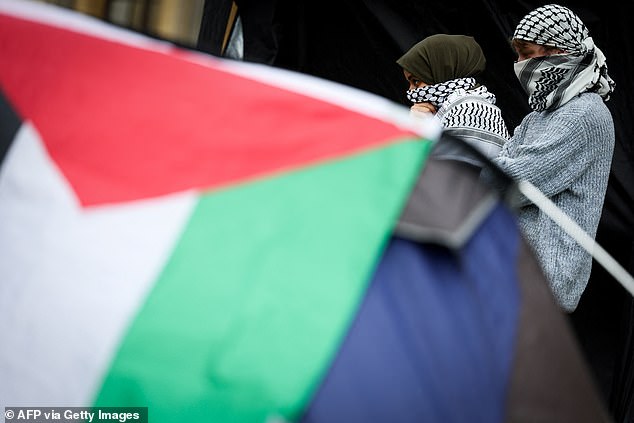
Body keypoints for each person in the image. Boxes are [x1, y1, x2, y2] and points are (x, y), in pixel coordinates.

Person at [485, 4, 616, 312]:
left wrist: (494, 168)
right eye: (517, 55)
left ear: (559, 52)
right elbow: (499, 168)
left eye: (527, 53)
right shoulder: (538, 117)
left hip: (542, 281)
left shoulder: (584, 114)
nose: (519, 65)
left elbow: (510, 182)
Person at [396, 34, 510, 172]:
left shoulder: (470, 109)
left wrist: (417, 133)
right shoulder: (450, 108)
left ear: (442, 70)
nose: (411, 91)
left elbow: (443, 177)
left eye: (415, 81)